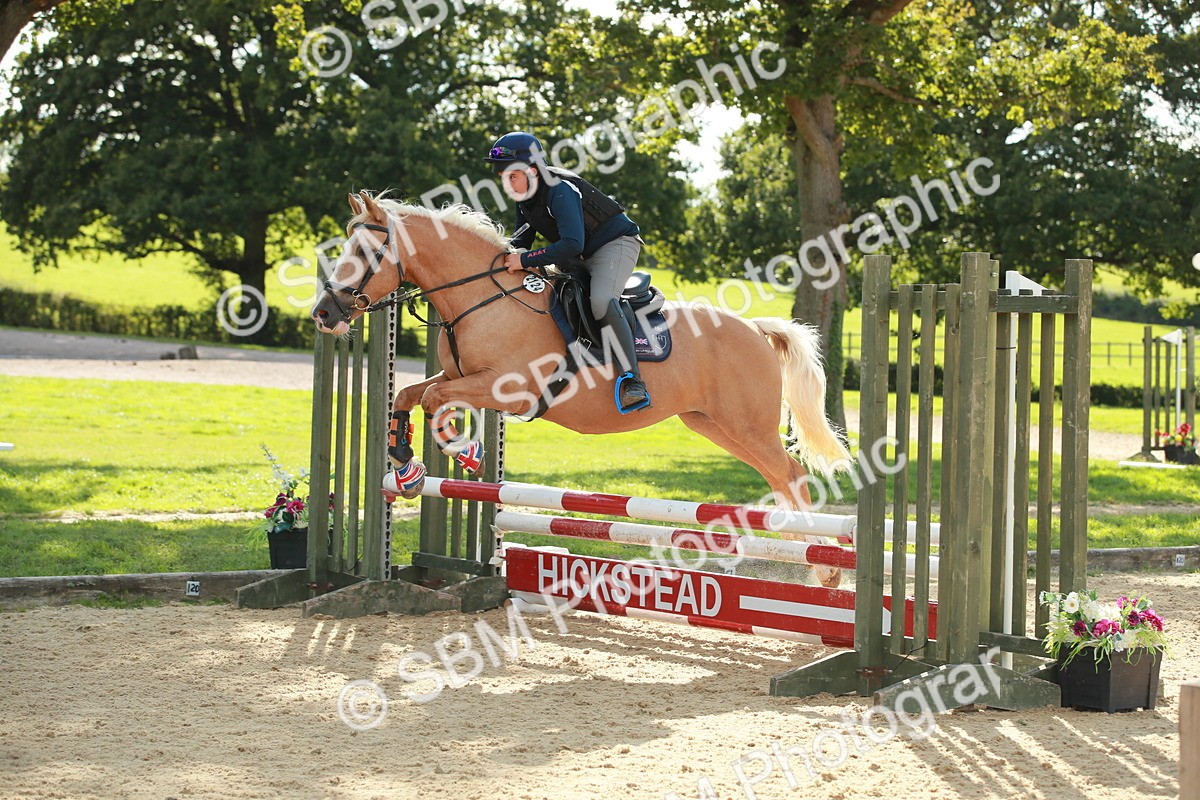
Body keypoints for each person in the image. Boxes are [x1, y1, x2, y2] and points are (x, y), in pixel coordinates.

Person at [484, 131, 651, 413]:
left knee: (600, 301)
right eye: (502, 175)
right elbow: (520, 243)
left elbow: (572, 244)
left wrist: (524, 259)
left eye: (511, 175)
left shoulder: (559, 190)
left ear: (533, 170)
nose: (506, 182)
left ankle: (633, 380)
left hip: (614, 245)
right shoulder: (525, 198)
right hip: (579, 253)